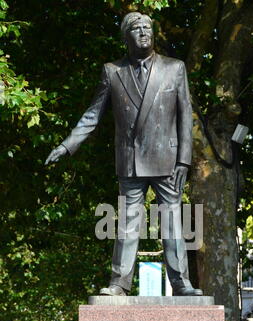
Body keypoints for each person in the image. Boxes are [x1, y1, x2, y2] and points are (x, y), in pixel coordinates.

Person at [45, 11, 203, 297]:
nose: (144, 32)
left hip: (167, 160)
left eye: (147, 28)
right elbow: (93, 115)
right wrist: (67, 145)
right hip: (130, 160)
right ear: (126, 37)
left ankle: (181, 283)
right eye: (136, 28)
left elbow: (185, 115)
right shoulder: (112, 71)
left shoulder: (174, 68)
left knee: (171, 221)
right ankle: (119, 283)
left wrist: (184, 159)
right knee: (128, 223)